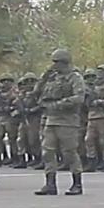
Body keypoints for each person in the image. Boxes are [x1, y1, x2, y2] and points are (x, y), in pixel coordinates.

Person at [34, 49, 87, 196]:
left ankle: (77, 183)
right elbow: (37, 92)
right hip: (51, 120)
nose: (54, 65)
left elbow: (79, 98)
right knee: (47, 152)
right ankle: (50, 183)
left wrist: (58, 104)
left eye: (56, 62)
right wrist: (44, 77)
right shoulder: (52, 78)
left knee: (69, 152)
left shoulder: (74, 78)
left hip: (68, 121)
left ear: (64, 62)